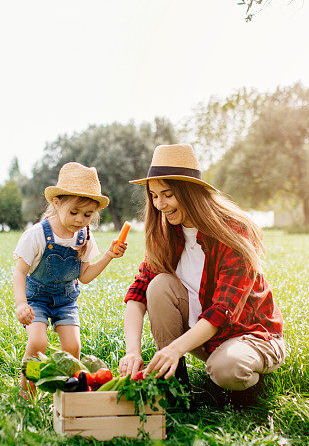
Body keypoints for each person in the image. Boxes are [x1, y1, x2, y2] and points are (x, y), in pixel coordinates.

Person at [117, 144, 286, 405]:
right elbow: (138, 293)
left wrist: (174, 348)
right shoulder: (167, 232)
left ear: (190, 193)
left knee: (226, 369)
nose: (160, 204)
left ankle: (248, 386)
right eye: (154, 195)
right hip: (205, 337)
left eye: (168, 194)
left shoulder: (233, 231)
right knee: (158, 285)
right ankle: (176, 387)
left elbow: (222, 311)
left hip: (249, 334)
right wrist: (132, 352)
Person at [13, 162, 127, 396]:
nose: (80, 219)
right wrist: (21, 304)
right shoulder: (37, 235)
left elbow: (84, 277)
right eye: (74, 212)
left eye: (87, 214)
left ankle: (68, 395)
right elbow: (20, 272)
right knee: (37, 343)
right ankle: (28, 389)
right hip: (37, 299)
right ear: (57, 203)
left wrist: (108, 256)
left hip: (66, 301)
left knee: (73, 347)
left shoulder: (84, 237)